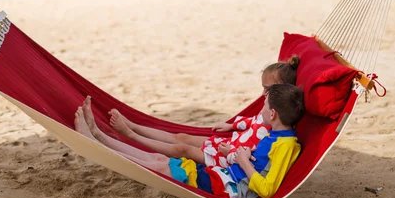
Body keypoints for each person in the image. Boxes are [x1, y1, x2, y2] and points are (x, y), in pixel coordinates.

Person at [74, 83, 305, 198]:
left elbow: (266, 189)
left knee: (159, 166)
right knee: (159, 159)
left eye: (264, 106)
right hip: (220, 176)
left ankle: (95, 141)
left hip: (225, 187)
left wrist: (243, 159)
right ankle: (98, 135)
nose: (261, 109)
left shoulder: (284, 145)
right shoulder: (278, 137)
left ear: (273, 114)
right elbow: (257, 161)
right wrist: (237, 154)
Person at [107, 56, 300, 168]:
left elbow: (255, 155)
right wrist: (231, 125)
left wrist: (230, 151)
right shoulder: (270, 108)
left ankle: (130, 133)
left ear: (282, 90)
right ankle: (133, 125)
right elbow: (252, 122)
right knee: (181, 136)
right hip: (228, 142)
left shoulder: (276, 126)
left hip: (228, 159)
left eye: (267, 89)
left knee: (183, 150)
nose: (262, 94)